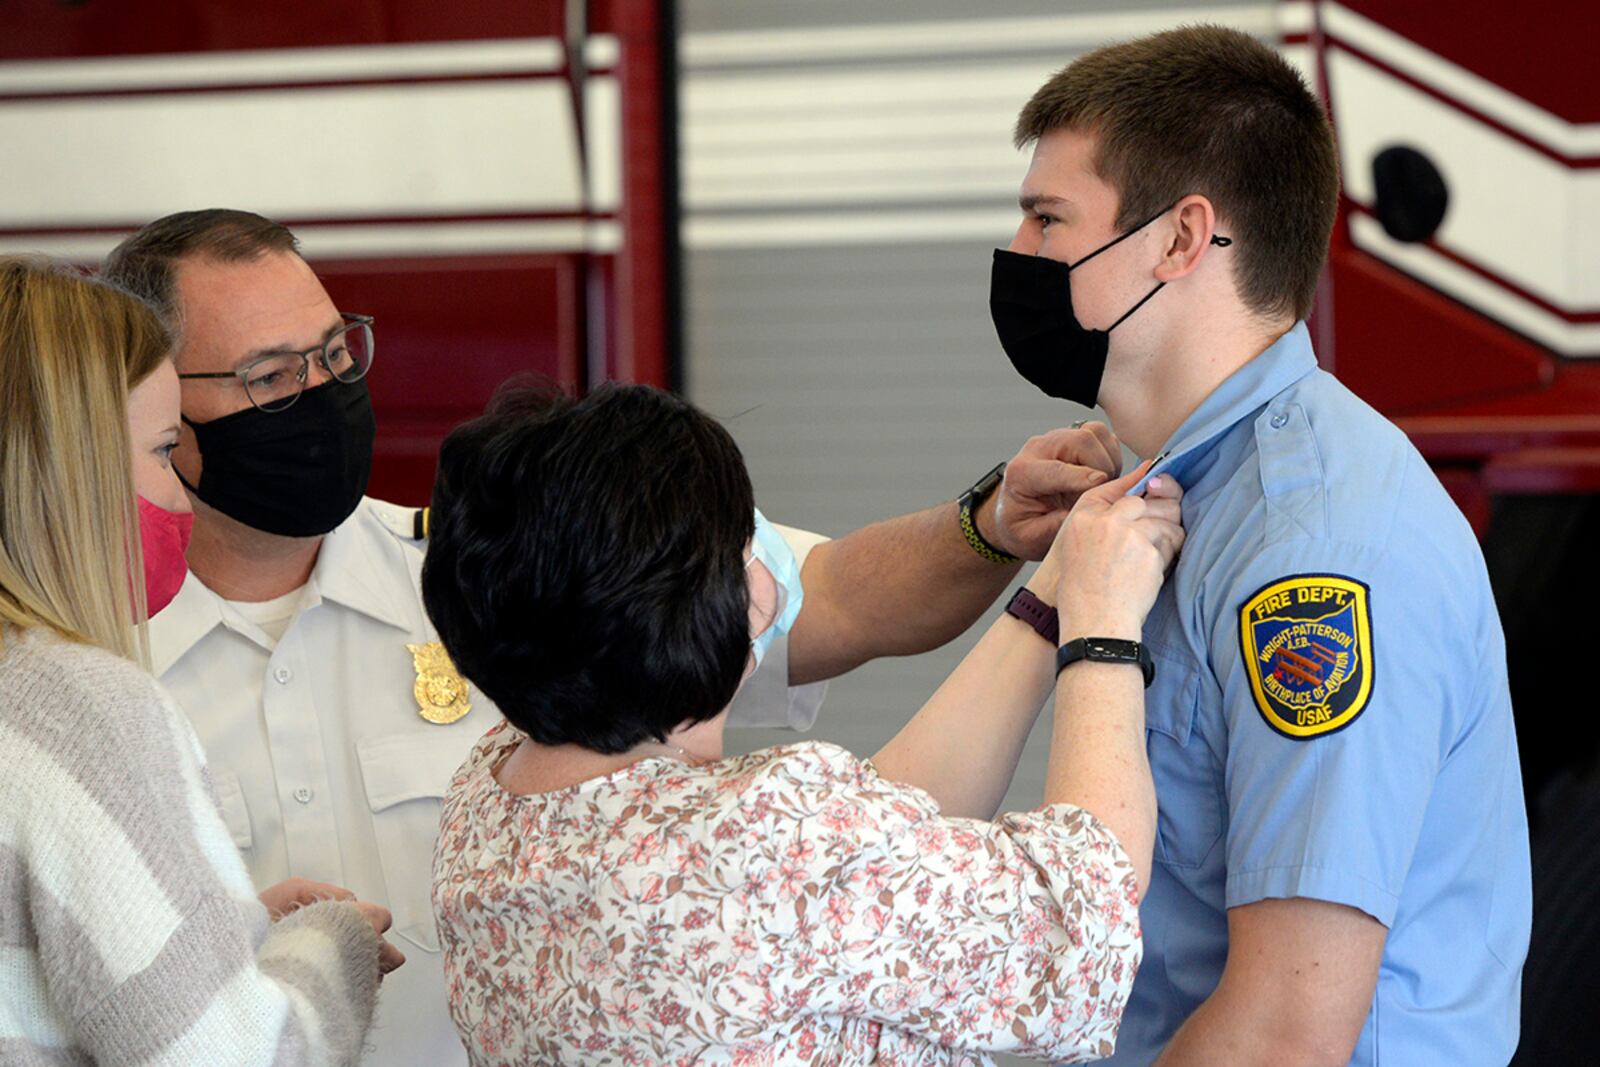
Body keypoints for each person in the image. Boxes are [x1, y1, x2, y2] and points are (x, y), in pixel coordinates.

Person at [100, 210, 1128, 1063]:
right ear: (152, 404)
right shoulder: (88, 675)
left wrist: (1010, 553)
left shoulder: (486, 743)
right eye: (275, 378)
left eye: (337, 353)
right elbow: (1083, 920)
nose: (325, 394)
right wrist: (1105, 633)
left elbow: (847, 623)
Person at [987, 25, 1530, 1065]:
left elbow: (1286, 1028)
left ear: (1181, 239)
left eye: (1045, 217)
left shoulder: (1313, 549)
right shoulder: (1177, 492)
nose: (1018, 254)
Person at [426, 381, 1184, 1065]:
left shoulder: (487, 802)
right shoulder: (763, 840)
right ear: (704, 607)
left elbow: (883, 859)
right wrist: (1105, 628)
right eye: (743, 539)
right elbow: (1086, 899)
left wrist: (1059, 584)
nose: (767, 555)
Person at [0, 258, 399, 1065]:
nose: (180, 496)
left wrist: (223, 933)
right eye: (160, 449)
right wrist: (335, 939)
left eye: (333, 355)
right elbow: (231, 1054)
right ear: (66, 470)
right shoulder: (77, 701)